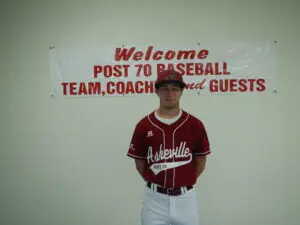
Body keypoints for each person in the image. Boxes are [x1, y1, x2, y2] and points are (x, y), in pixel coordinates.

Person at [127, 69, 211, 225]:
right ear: (157, 91)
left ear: (181, 92)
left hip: (186, 199)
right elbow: (140, 164)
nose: (169, 93)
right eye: (164, 88)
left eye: (175, 89)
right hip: (155, 199)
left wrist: (183, 181)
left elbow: (200, 162)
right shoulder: (144, 125)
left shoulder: (195, 125)